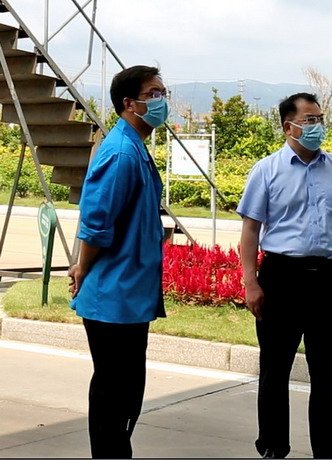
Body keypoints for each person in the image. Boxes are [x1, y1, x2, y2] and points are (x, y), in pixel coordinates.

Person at [237, 92, 332, 459]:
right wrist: (251, 281)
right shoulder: (267, 170)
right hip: (281, 276)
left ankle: (328, 448)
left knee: (324, 369)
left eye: (320, 119)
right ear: (288, 126)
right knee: (275, 368)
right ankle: (273, 445)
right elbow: (250, 229)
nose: (317, 126)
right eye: (309, 120)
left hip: (326, 277)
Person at [68, 65, 169, 458]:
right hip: (113, 297)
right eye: (154, 94)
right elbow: (96, 225)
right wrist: (82, 267)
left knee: (125, 394)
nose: (161, 101)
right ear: (129, 103)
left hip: (129, 295)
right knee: (115, 396)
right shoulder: (122, 153)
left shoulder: (133, 148)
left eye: (163, 93)